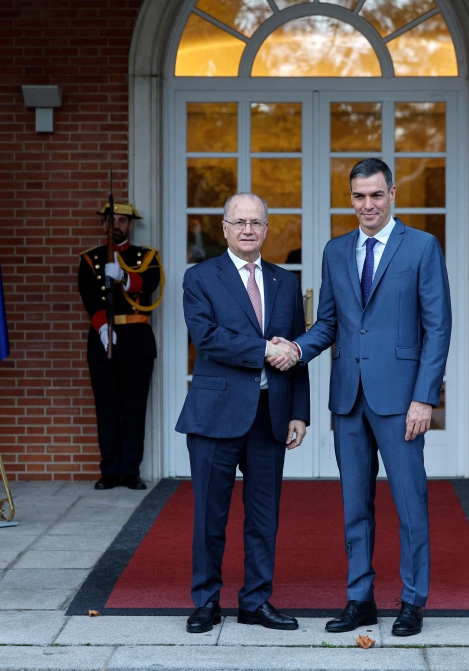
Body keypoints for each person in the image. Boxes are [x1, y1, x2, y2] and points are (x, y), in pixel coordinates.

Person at [271, 158, 452, 637]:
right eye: (358, 196)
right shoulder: (335, 251)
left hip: (401, 400)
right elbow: (328, 324)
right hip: (348, 398)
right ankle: (361, 598)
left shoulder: (423, 247)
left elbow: (438, 327)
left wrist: (425, 397)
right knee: (355, 504)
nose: (367, 204)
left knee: (411, 503)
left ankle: (413, 600)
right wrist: (295, 349)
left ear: (392, 194)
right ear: (350, 198)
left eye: (375, 194)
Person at [177, 192, 310, 634]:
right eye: (240, 222)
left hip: (271, 414)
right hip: (215, 414)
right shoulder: (200, 277)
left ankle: (256, 601)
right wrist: (262, 349)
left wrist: (299, 412)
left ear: (267, 228)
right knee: (209, 515)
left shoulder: (285, 281)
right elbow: (207, 337)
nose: (248, 229)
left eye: (256, 222)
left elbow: (296, 352)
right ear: (225, 228)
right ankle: (206, 601)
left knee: (263, 516)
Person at [78, 202, 163, 491]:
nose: (116, 224)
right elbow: (89, 295)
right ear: (104, 225)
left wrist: (125, 277)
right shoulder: (91, 258)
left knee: (135, 410)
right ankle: (110, 471)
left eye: (122, 220)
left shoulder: (146, 256)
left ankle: (131, 472)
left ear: (130, 225)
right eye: (111, 220)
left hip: (137, 341)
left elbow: (150, 282)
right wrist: (102, 327)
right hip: (104, 341)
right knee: (107, 410)